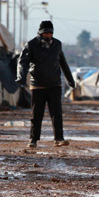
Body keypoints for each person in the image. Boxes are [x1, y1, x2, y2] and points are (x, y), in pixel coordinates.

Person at [16, 20, 75, 148]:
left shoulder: (57, 44)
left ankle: (58, 138)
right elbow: (23, 62)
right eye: (46, 33)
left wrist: (70, 79)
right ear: (40, 33)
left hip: (55, 84)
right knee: (36, 114)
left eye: (50, 33)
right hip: (38, 85)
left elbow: (63, 63)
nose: (48, 36)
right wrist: (21, 76)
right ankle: (33, 139)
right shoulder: (31, 45)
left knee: (56, 113)